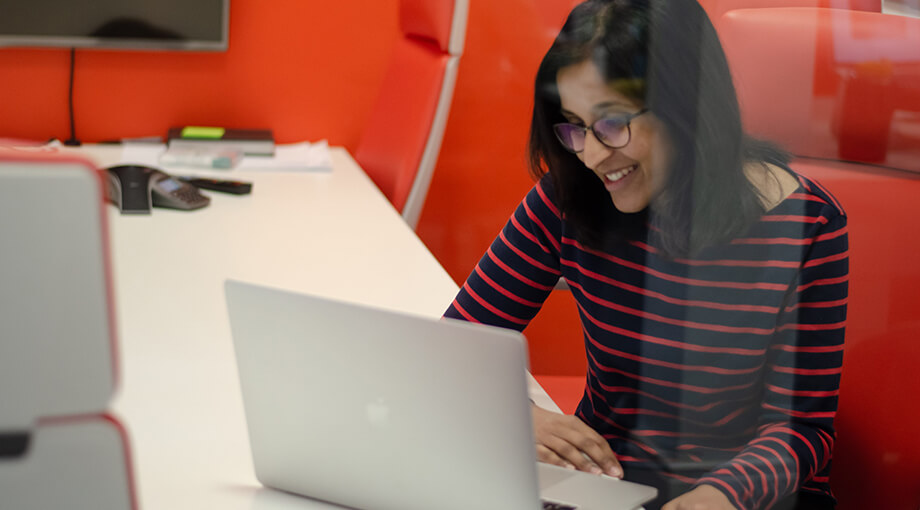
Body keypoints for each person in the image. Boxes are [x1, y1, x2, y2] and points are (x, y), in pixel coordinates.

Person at [443, 1, 848, 509]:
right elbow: (457, 346)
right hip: (610, 484)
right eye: (573, 126)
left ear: (686, 105)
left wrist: (720, 495)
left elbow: (802, 430)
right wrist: (515, 415)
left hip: (745, 495)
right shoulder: (569, 195)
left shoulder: (807, 225)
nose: (590, 155)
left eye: (612, 123)